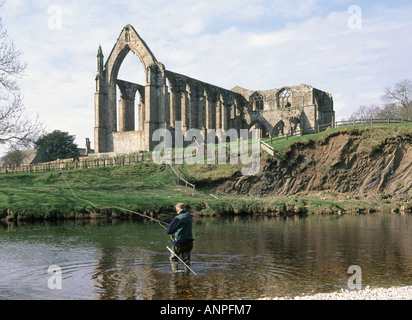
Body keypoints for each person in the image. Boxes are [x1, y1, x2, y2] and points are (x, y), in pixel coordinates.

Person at [166, 203, 194, 274]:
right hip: (189, 242)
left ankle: (174, 273)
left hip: (179, 243)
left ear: (178, 210)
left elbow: (168, 231)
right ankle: (187, 273)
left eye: (176, 209)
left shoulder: (178, 218)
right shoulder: (189, 217)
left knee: (173, 258)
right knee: (186, 260)